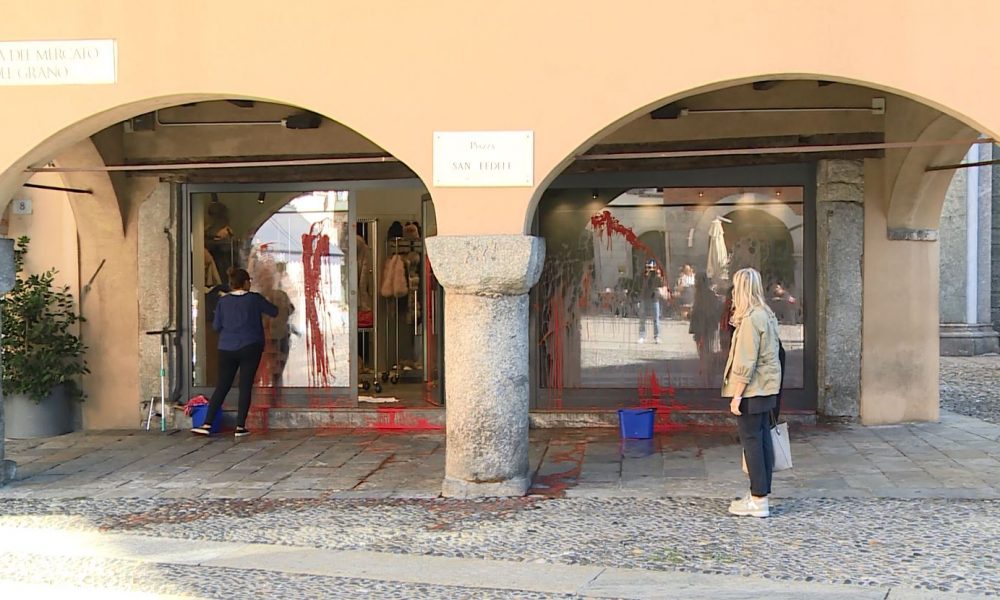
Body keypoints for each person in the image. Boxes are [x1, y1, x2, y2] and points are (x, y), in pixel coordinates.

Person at [722, 267, 783, 518]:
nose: (734, 293)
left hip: (752, 390)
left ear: (742, 290)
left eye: (736, 287)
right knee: (762, 439)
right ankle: (761, 494)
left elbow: (745, 361)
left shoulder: (750, 319)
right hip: (767, 388)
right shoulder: (766, 314)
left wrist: (736, 395)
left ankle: (758, 500)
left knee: (752, 443)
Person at [192, 268, 278, 438]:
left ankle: (207, 423)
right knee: (245, 386)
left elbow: (216, 326)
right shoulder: (254, 299)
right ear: (246, 283)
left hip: (226, 348)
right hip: (250, 346)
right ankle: (240, 426)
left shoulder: (223, 302)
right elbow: (274, 311)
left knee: (222, 385)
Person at [637, 259, 665, 343]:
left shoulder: (656, 276)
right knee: (642, 319)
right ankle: (642, 336)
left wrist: (658, 275)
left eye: (652, 267)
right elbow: (641, 286)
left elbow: (660, 284)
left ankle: (657, 336)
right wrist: (646, 275)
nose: (650, 269)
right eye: (648, 267)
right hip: (644, 298)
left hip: (654, 299)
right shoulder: (642, 276)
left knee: (656, 319)